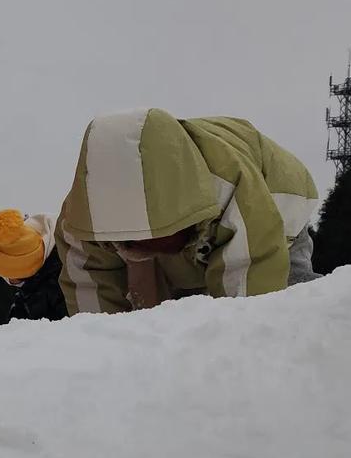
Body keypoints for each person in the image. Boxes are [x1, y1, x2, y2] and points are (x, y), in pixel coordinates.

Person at [55, 110, 318, 315]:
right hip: (182, 222)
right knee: (156, 314)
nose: (139, 249)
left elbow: (250, 310)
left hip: (273, 211)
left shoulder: (234, 189)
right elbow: (93, 302)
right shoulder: (83, 216)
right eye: (130, 243)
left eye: (150, 242)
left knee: (284, 305)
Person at [0, 210, 67, 321]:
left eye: (15, 278)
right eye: (7, 278)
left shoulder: (58, 280)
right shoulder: (35, 277)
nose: (11, 282)